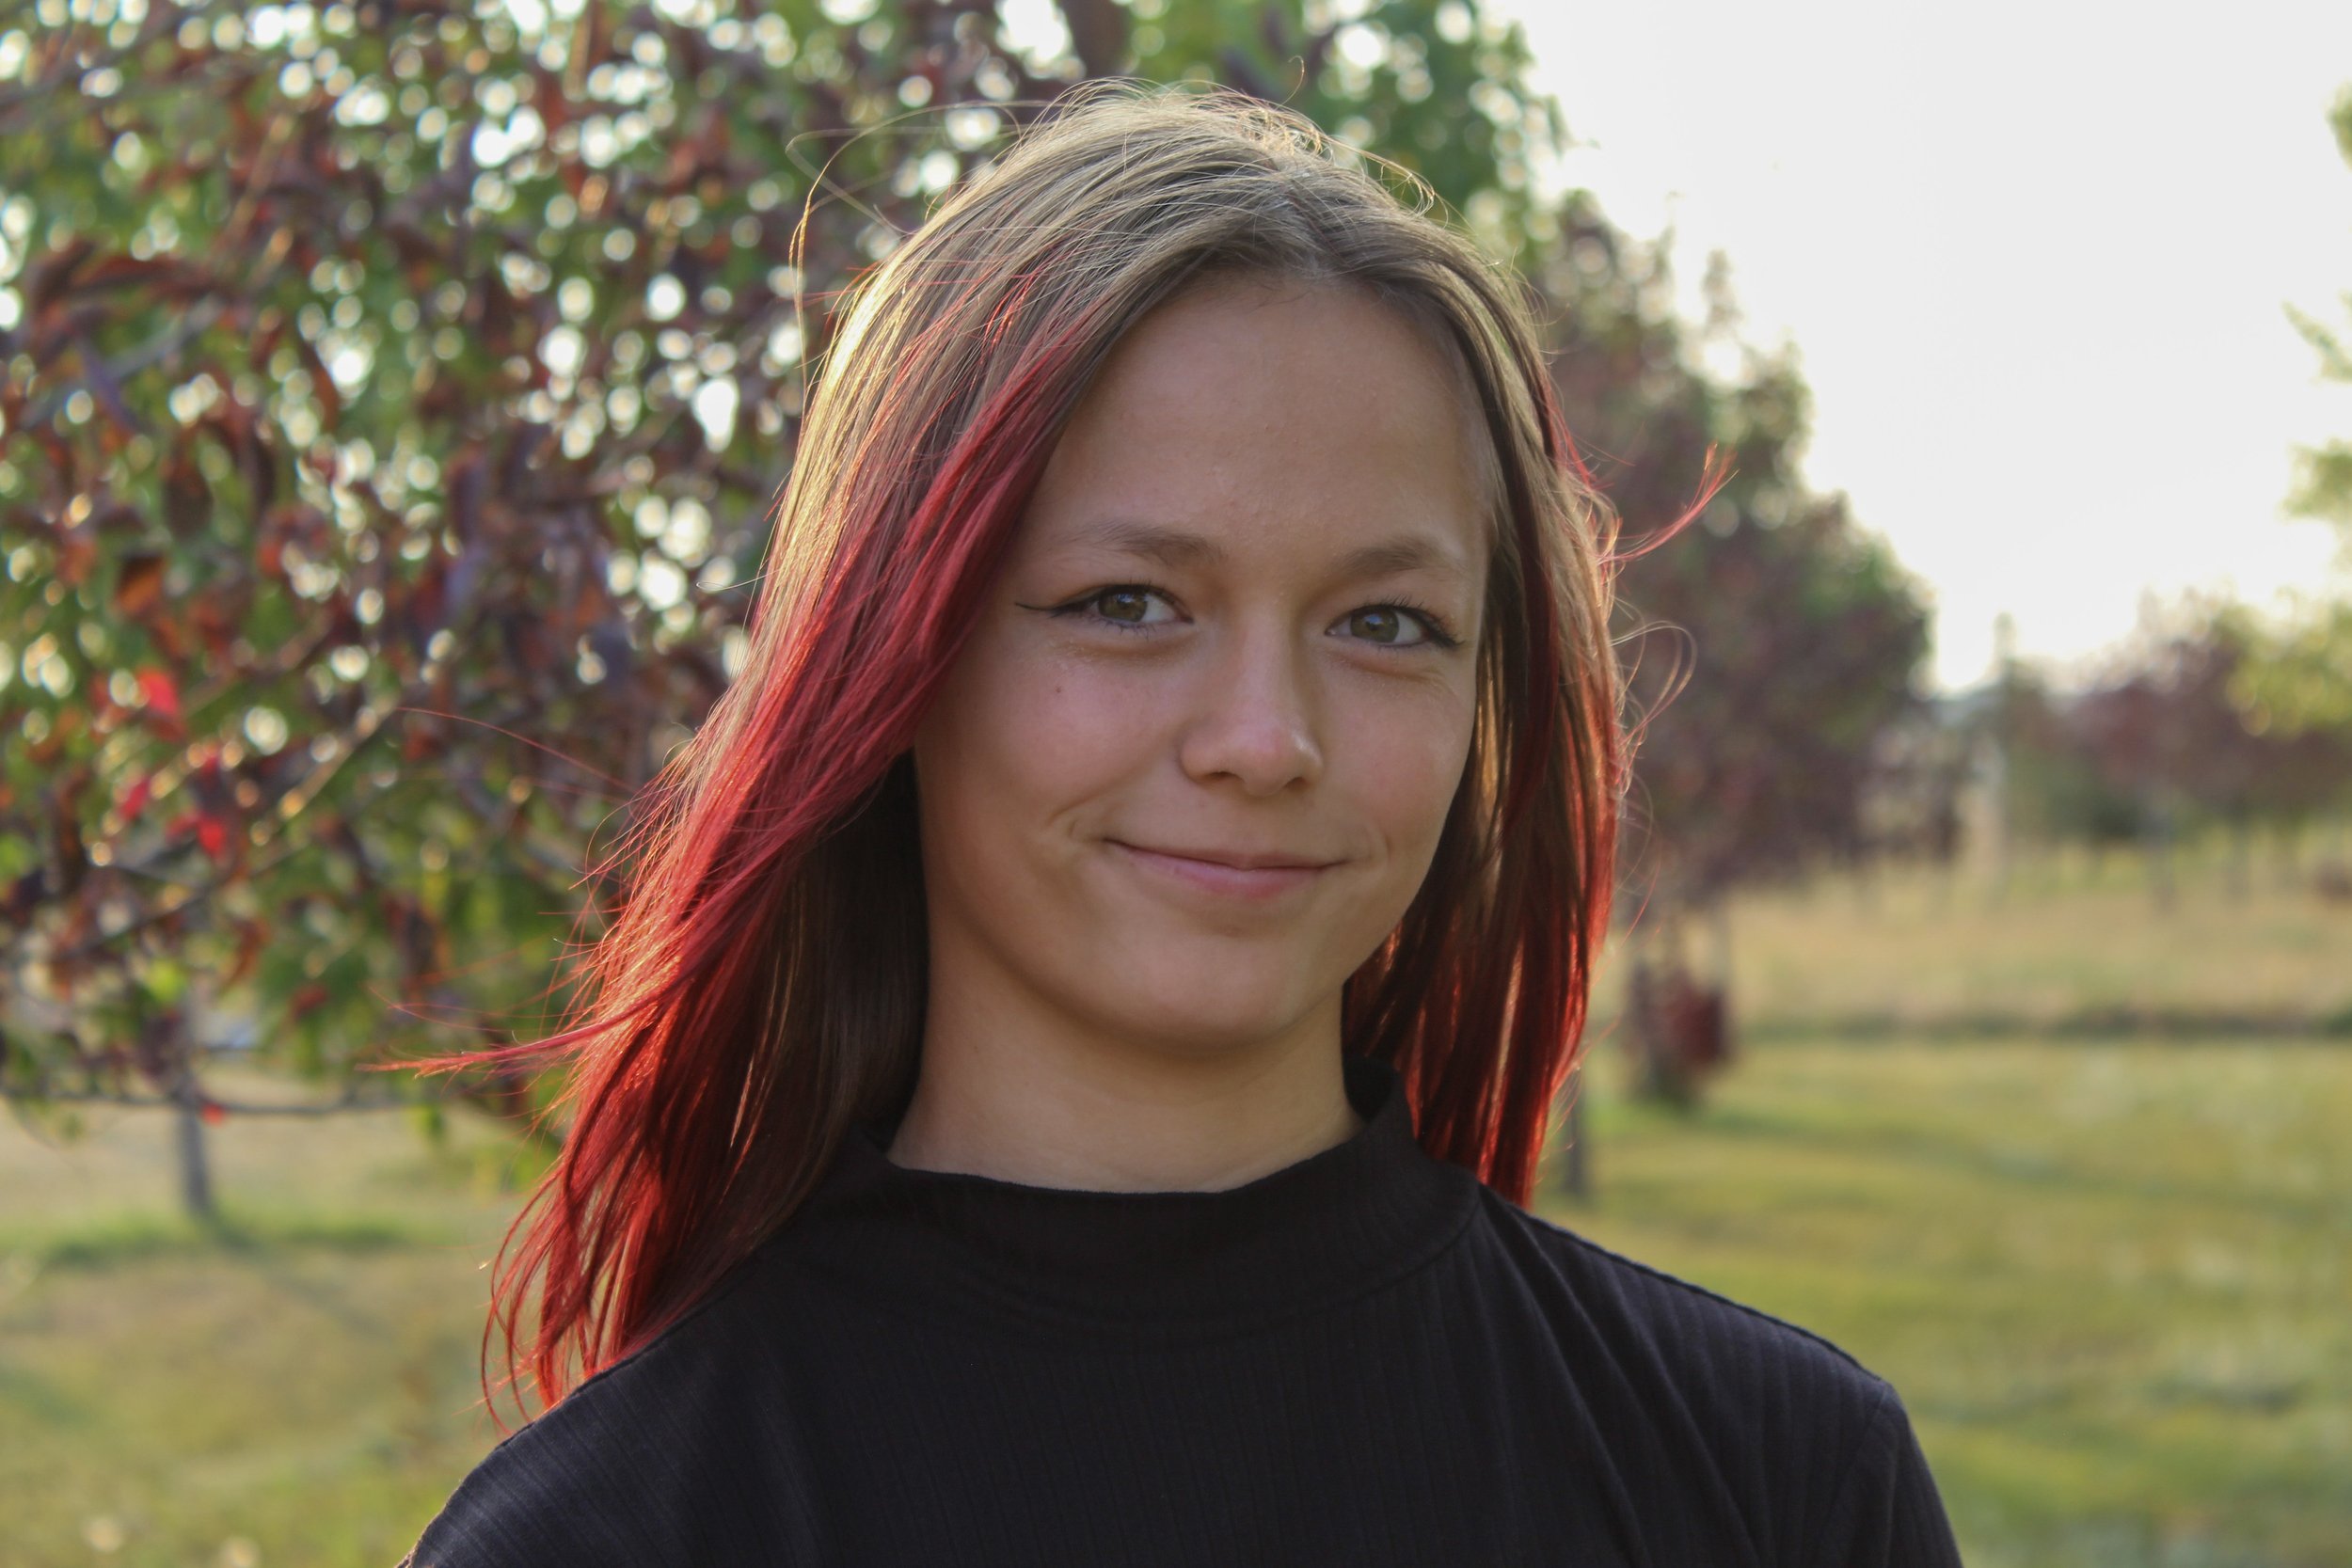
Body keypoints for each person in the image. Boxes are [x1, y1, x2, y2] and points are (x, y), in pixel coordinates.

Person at [401, 82, 1963, 1567]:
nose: (1265, 739)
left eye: (1387, 624)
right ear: (895, 656)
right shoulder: (614, 1536)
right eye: (1129, 603)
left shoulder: (1780, 1486)